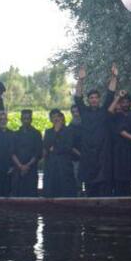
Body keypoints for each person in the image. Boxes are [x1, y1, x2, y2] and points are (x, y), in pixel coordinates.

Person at [76, 65, 117, 196]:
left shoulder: (104, 111)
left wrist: (114, 77)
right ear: (88, 100)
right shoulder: (84, 111)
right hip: (88, 155)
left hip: (102, 155)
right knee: (90, 188)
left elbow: (110, 93)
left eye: (96, 97)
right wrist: (81, 80)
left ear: (99, 100)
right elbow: (78, 97)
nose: (94, 99)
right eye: (91, 98)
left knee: (104, 186)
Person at [43, 108, 80, 197]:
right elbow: (47, 147)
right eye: (53, 117)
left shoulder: (69, 131)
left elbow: (68, 147)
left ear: (61, 117)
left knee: (66, 190)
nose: (56, 119)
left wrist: (54, 149)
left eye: (57, 117)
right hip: (51, 166)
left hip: (65, 165)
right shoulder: (48, 132)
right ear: (50, 119)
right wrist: (56, 132)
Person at [11, 109, 43, 197]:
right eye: (24, 118)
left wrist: (27, 166)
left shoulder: (36, 134)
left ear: (31, 120)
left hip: (31, 168)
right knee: (17, 193)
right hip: (18, 168)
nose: (26, 121)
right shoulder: (16, 134)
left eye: (28, 118)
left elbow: (37, 152)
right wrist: (20, 166)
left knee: (31, 193)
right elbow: (12, 152)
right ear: (21, 119)